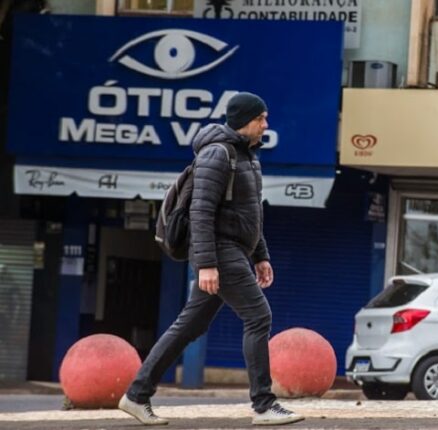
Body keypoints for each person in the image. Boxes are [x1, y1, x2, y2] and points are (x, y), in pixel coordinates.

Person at [118, 92, 304, 426]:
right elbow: (200, 212)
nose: (266, 124)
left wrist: (261, 255)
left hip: (234, 251)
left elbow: (251, 214)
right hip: (219, 251)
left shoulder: (247, 156)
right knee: (258, 316)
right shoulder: (217, 155)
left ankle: (136, 395)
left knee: (191, 324)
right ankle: (263, 405)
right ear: (244, 120)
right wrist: (205, 264)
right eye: (261, 118)